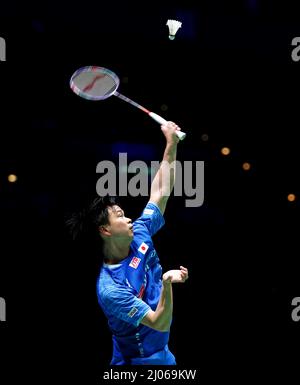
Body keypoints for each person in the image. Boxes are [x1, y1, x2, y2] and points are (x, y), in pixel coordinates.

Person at [67, 121, 188, 365]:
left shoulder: (140, 232)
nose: (129, 218)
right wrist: (166, 283)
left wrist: (171, 144)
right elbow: (159, 321)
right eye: (120, 216)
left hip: (161, 351)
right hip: (140, 359)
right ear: (105, 230)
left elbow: (160, 191)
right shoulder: (110, 289)